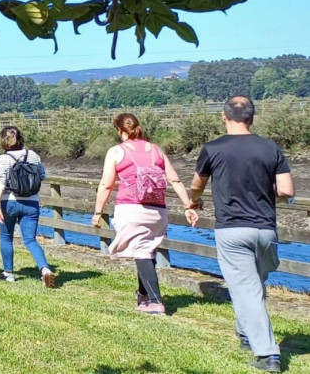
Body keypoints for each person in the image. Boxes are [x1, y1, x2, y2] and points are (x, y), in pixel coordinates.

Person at [189, 96, 294, 373]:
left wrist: (194, 200)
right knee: (252, 285)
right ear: (253, 117)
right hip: (265, 231)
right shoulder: (270, 147)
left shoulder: (212, 149)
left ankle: (268, 354)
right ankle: (246, 333)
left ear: (223, 116)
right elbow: (286, 191)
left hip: (232, 229)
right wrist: (260, 192)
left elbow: (197, 184)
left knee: (246, 289)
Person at [93, 113, 198, 316]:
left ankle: (156, 301)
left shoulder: (116, 152)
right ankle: (143, 295)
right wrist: (188, 206)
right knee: (146, 250)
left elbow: (106, 184)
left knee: (141, 251)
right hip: (157, 210)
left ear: (118, 130)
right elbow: (175, 180)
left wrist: (98, 211)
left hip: (131, 209)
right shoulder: (156, 150)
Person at [0, 126, 55, 287]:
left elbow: (0, 183)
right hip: (32, 202)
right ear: (20, 138)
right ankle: (45, 269)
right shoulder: (33, 155)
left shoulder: (3, 160)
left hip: (9, 202)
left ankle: (9, 274)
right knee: (30, 239)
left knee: (6, 237)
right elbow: (42, 176)